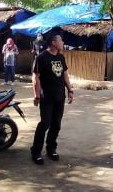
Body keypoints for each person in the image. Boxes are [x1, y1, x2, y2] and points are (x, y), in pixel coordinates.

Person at [30, 34, 73, 165]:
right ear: (54, 42)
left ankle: (51, 149)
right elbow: (35, 77)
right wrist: (37, 95)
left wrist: (70, 90)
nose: (63, 42)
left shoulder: (60, 57)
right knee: (45, 123)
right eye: (61, 40)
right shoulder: (41, 57)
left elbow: (65, 74)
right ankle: (36, 151)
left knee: (56, 124)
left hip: (59, 97)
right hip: (46, 97)